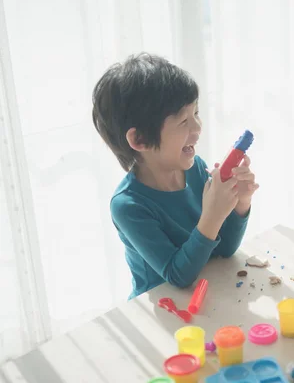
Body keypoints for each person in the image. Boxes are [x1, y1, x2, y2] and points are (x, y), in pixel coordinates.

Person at [92, 53, 258, 299]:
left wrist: (240, 204)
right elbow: (177, 275)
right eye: (183, 121)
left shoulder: (195, 170)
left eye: (196, 114)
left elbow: (225, 249)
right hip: (161, 311)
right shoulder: (128, 206)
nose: (198, 128)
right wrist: (213, 215)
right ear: (139, 139)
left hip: (206, 298)